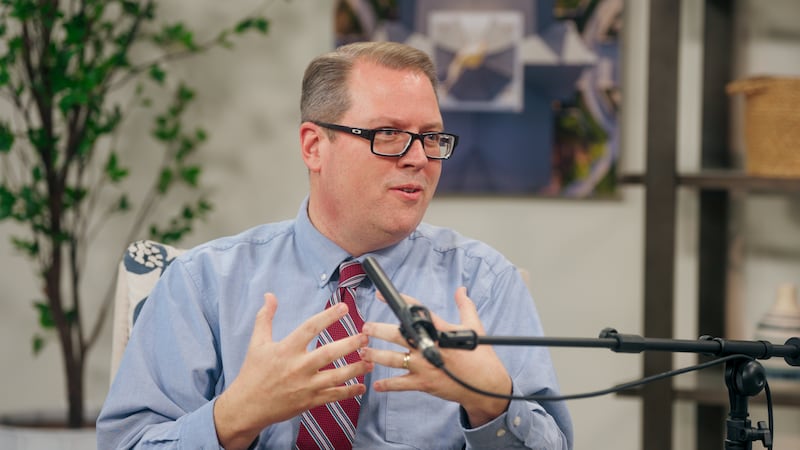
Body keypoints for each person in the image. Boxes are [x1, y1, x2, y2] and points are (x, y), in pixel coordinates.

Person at [97, 40, 573, 449]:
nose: (417, 159)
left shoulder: (483, 285)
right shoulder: (204, 284)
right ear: (313, 146)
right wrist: (234, 418)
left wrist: (490, 401)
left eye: (430, 137)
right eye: (388, 134)